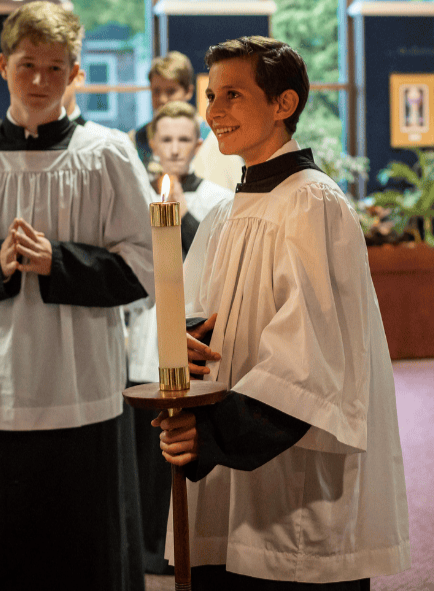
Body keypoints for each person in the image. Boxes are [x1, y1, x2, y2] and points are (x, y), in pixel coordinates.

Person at [0, 1, 155, 591]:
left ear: (76, 72)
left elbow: (147, 264)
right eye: (28, 66)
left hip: (81, 388)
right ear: (2, 66)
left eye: (56, 68)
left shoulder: (107, 155)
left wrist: (60, 263)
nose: (41, 81)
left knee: (79, 557)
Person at [156, 36, 410, 588]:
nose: (213, 113)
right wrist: (185, 346)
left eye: (232, 95)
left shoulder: (311, 201)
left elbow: (310, 358)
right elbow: (203, 317)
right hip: (232, 458)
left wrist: (214, 433)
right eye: (210, 95)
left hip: (287, 470)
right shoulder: (231, 210)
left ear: (283, 104)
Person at [126, 100, 229, 574]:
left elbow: (209, 268)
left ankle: (187, 544)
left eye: (183, 139)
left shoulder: (215, 200)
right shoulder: (135, 193)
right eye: (165, 139)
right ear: (152, 143)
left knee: (185, 437)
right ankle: (150, 545)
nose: (173, 148)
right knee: (149, 448)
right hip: (144, 331)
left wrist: (183, 218)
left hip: (189, 333)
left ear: (197, 143)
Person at [129, 51, 196, 172]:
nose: (162, 99)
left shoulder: (209, 138)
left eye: (171, 91)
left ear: (188, 92)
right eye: (156, 91)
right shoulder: (135, 139)